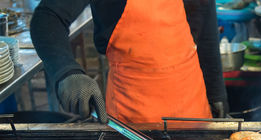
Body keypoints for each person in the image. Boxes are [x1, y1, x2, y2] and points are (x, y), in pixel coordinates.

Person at [30, 0, 228, 124]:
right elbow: (48, 17)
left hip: (192, 101)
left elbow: (205, 22)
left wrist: (216, 90)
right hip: (135, 113)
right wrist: (66, 71)